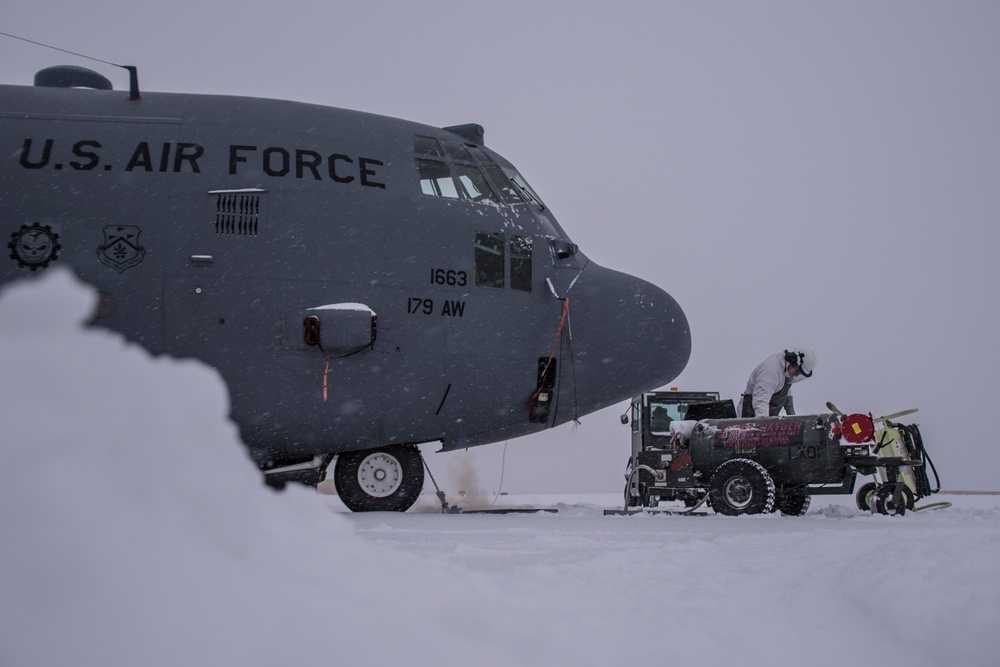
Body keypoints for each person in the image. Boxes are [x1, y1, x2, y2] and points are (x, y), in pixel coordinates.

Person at [740, 347, 817, 418]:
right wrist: (763, 425)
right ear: (792, 361)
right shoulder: (770, 371)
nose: (797, 375)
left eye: (800, 373)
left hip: (769, 415)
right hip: (752, 412)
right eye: (797, 371)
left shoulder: (786, 369)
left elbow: (783, 383)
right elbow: (761, 400)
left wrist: (789, 407)